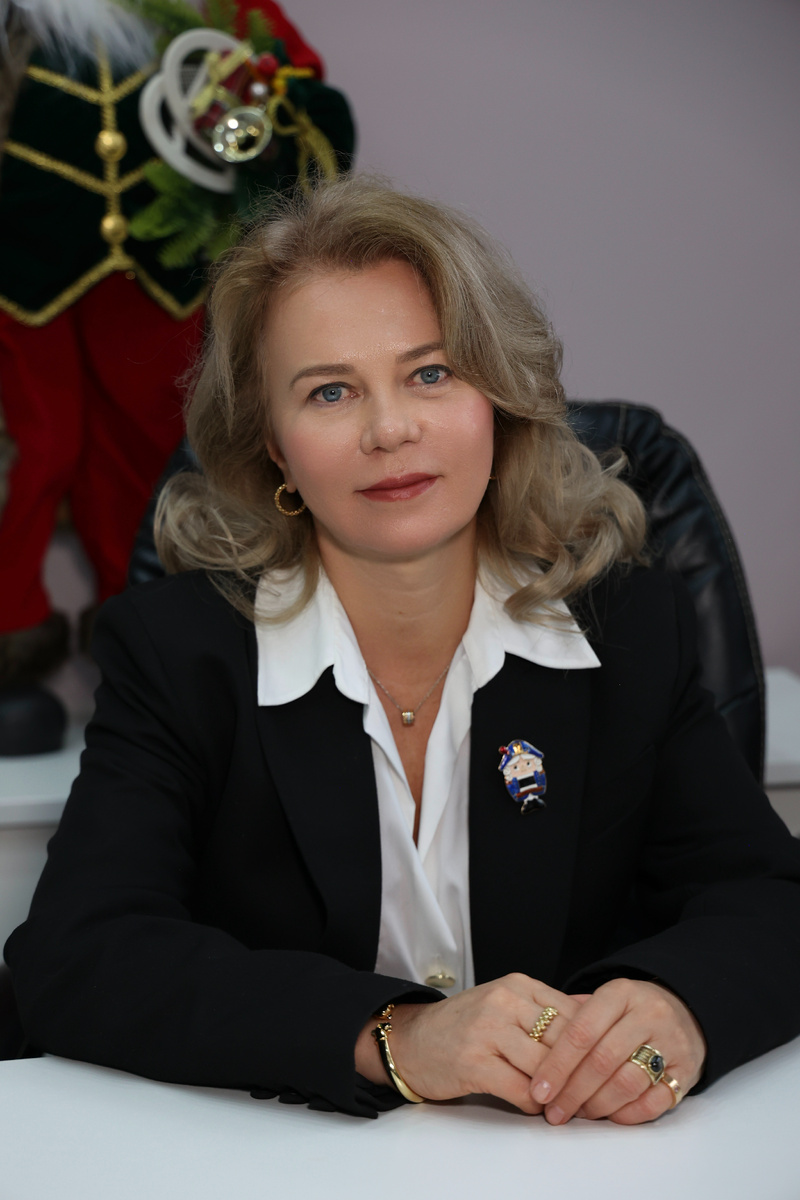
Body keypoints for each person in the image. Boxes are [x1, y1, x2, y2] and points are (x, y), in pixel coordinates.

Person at [5, 178, 800, 1123]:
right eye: (330, 391)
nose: (390, 430)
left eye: (431, 374)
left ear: (498, 398)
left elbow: (772, 901)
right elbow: (77, 953)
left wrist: (682, 1005)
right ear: (274, 445)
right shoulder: (181, 655)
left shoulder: (628, 634)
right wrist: (393, 1037)